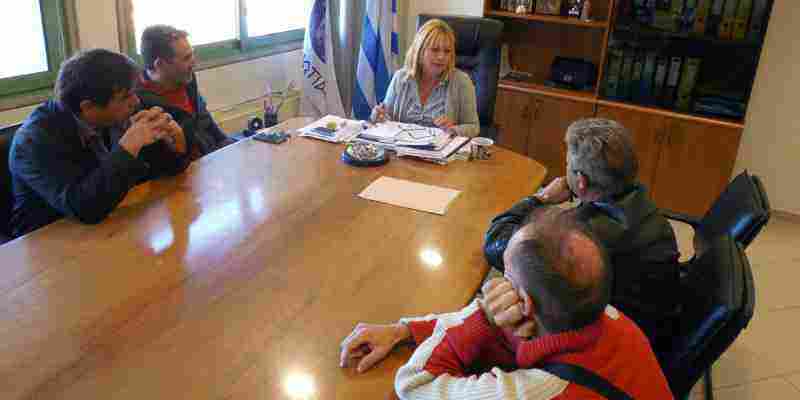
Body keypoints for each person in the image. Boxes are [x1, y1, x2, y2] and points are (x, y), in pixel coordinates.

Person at [340, 207, 674, 399]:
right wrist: (404, 331)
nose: (496, 287)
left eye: (505, 277)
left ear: (524, 303)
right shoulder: (602, 314)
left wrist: (485, 315)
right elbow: (509, 332)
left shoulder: (537, 392)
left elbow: (414, 384)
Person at [484, 118, 680, 357]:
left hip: (608, 350)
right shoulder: (646, 209)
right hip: (654, 330)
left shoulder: (580, 239)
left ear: (581, 181)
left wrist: (541, 198)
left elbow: (496, 244)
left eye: (567, 164)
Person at [9, 49, 189, 237]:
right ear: (87, 107)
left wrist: (175, 142)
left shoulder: (114, 112)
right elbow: (85, 208)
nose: (136, 101)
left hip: (112, 226)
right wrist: (128, 146)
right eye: (126, 97)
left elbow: (164, 171)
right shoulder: (33, 141)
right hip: (48, 240)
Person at [135, 25, 235, 162]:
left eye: (192, 54)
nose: (194, 62)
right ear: (160, 64)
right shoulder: (139, 104)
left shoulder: (186, 80)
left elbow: (209, 126)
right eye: (186, 58)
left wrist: (232, 148)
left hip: (211, 159)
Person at [370, 19, 480, 137]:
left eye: (447, 51)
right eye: (435, 50)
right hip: (401, 146)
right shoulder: (400, 78)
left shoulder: (462, 81)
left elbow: (473, 127)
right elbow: (387, 118)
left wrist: (453, 129)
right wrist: (379, 117)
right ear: (419, 51)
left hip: (440, 147)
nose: (441, 57)